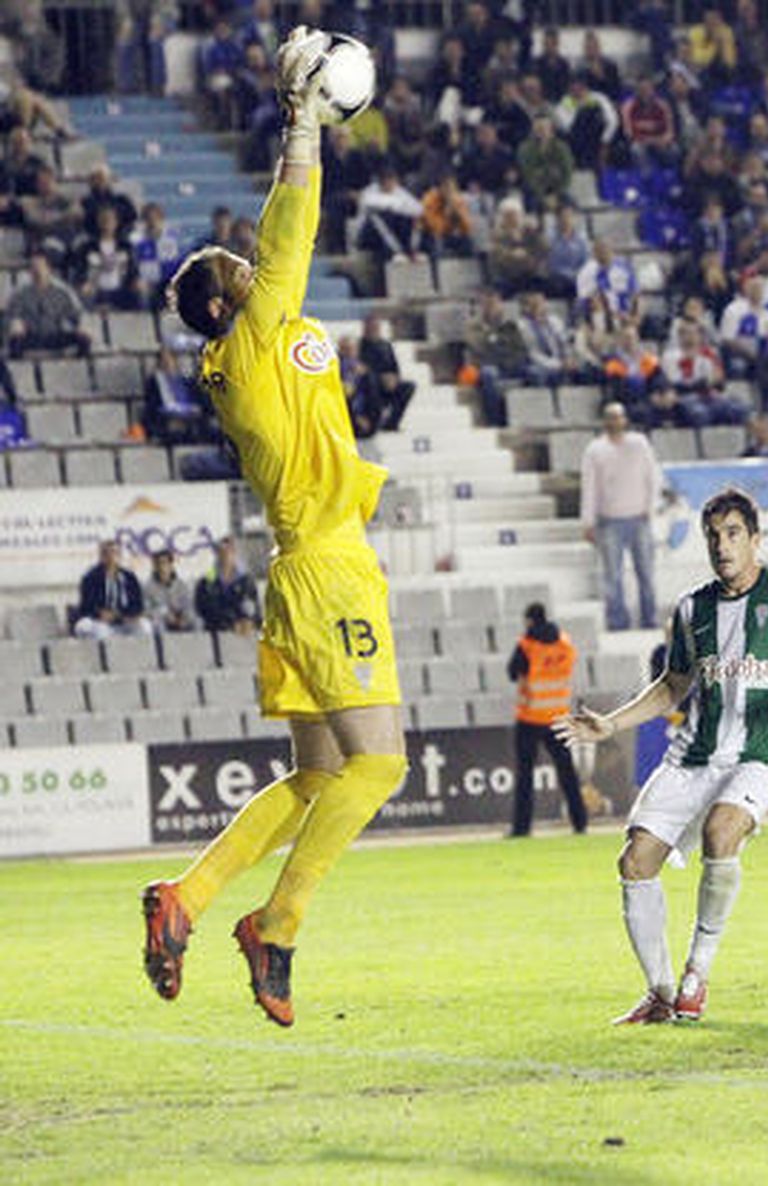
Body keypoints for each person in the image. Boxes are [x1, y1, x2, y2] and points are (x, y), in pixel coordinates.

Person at [141, 29, 411, 1028]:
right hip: (328, 568)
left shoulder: (260, 342)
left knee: (317, 775)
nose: (253, 271)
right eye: (236, 271)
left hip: (302, 566)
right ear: (222, 305)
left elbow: (280, 253)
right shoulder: (251, 343)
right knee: (380, 763)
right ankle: (281, 922)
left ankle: (189, 897)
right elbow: (290, 229)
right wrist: (301, 124)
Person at [556, 488, 768, 1023]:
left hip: (755, 753)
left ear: (755, 540)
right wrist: (611, 723)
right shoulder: (692, 607)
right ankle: (661, 991)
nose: (722, 545)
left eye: (733, 534)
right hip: (692, 756)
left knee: (721, 833)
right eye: (713, 535)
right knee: (635, 861)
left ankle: (696, 973)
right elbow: (672, 686)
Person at [506, 602, 585, 835]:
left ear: (530, 620)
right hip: (558, 716)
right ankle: (580, 822)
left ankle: (522, 828)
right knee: (567, 774)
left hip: (530, 717)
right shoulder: (564, 643)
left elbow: (512, 672)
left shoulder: (526, 645)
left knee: (525, 776)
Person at [581, 402, 661, 630]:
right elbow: (590, 487)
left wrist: (650, 508)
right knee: (612, 577)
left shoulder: (640, 444)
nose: (614, 421)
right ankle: (617, 621)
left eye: (618, 417)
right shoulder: (595, 450)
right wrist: (588, 521)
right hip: (609, 520)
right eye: (609, 417)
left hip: (639, 518)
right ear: (604, 421)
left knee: (646, 572)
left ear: (625, 420)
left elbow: (653, 476)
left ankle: (649, 618)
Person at [73, 538, 153, 639]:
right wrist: (99, 614)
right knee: (94, 629)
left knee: (145, 626)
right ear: (101, 556)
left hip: (124, 620)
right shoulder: (90, 578)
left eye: (114, 553)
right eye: (106, 553)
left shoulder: (129, 577)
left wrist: (127, 615)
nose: (111, 557)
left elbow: (138, 604)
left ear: (120, 556)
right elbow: (86, 605)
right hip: (99, 621)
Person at [193, 536, 260, 635]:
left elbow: (253, 606)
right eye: (222, 552)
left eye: (229, 551)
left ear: (235, 554)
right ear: (217, 554)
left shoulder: (246, 581)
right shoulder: (207, 581)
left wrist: (249, 621)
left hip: (244, 633)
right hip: (217, 633)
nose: (226, 555)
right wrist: (230, 622)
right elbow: (204, 609)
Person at [143, 548, 195, 633]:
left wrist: (183, 619)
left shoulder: (181, 585)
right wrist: (165, 615)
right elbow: (146, 609)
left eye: (164, 563)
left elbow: (188, 605)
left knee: (196, 622)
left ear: (171, 565)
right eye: (157, 564)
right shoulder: (148, 587)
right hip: (161, 622)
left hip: (181, 620)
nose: (161, 567)